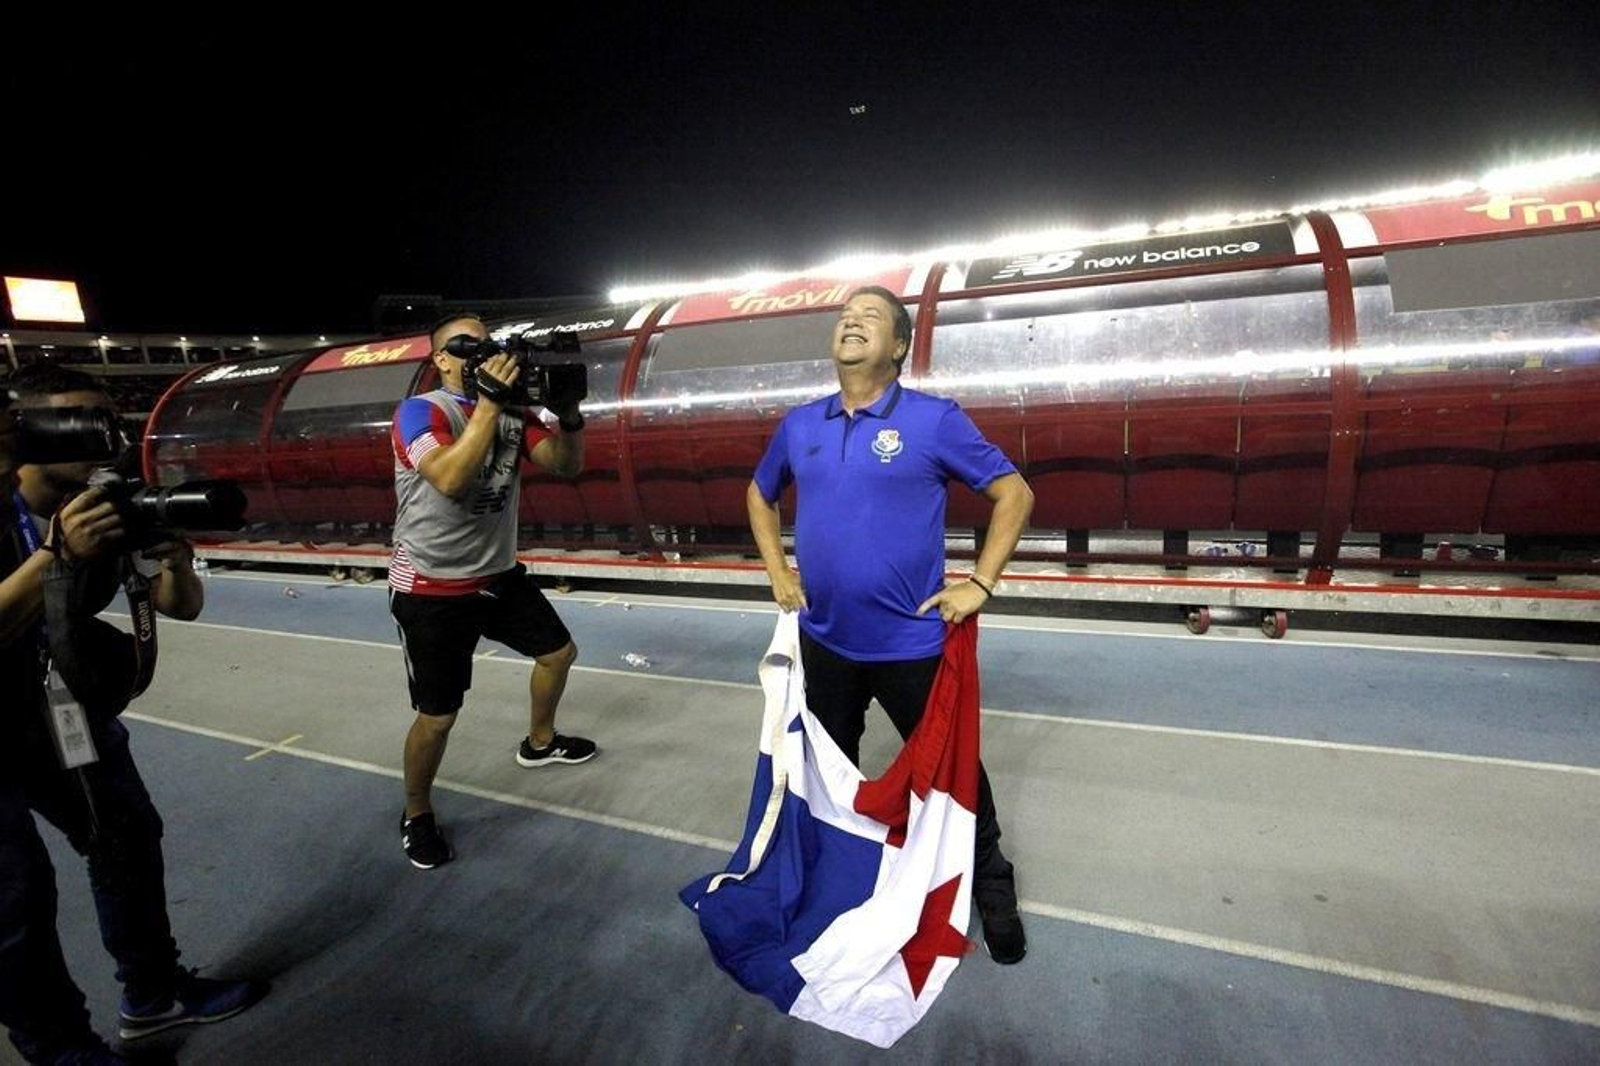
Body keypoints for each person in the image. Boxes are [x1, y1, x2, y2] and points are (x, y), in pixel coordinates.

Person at [747, 286, 1036, 964]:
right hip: (827, 646)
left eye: (870, 316)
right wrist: (778, 572)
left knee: (954, 773)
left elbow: (1014, 493)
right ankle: (838, 883)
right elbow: (759, 496)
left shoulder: (934, 421)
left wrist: (981, 582)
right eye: (846, 314)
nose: (851, 320)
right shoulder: (800, 425)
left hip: (912, 646)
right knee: (828, 776)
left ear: (899, 347)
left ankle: (991, 885)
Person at [0, 364, 262, 1064]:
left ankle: (151, 995)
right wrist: (54, 556)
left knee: (125, 836)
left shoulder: (104, 502)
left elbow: (182, 606)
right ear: (22, 435)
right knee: (14, 897)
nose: (102, 435)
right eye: (76, 421)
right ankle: (60, 1051)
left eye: (106, 417)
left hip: (51, 705)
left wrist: (172, 559)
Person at [389, 314, 594, 870]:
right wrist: (488, 404)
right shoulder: (422, 412)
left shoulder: (510, 413)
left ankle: (540, 742)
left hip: (497, 574)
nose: (484, 353)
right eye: (468, 346)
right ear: (441, 359)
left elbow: (566, 465)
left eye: (489, 344)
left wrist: (570, 416)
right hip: (431, 585)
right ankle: (415, 813)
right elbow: (450, 479)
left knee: (558, 653)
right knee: (439, 716)